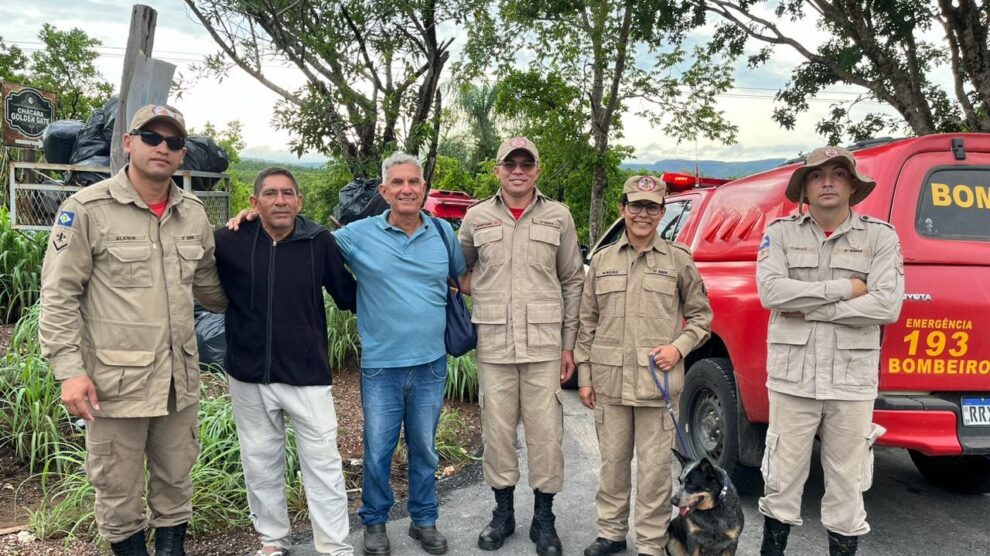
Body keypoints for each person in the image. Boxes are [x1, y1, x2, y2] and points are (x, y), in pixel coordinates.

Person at [38, 104, 227, 556]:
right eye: (151, 138)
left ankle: (170, 550)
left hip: (177, 382)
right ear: (128, 143)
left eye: (174, 142)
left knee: (176, 477)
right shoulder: (86, 209)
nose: (163, 148)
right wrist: (69, 371)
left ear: (183, 154)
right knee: (117, 484)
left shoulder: (194, 214)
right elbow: (59, 294)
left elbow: (212, 290)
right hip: (114, 382)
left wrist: (257, 241)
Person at [756, 146, 904, 556]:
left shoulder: (880, 236)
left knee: (847, 482)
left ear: (852, 185)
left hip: (851, 381)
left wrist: (812, 308)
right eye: (817, 174)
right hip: (793, 378)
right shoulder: (781, 233)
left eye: (838, 174)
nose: (827, 181)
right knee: (781, 477)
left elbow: (887, 305)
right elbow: (771, 292)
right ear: (803, 186)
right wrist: (844, 290)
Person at [213, 166, 358, 556]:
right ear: (253, 202)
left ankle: (334, 546)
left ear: (300, 201)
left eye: (288, 193)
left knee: (324, 463)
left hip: (307, 373)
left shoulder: (318, 241)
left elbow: (348, 295)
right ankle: (273, 541)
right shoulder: (229, 241)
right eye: (271, 194)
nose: (280, 200)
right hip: (248, 374)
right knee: (260, 463)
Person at [458, 137, 584, 556]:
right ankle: (503, 514)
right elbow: (459, 270)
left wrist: (569, 346)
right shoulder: (476, 217)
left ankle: (544, 520)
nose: (517, 170)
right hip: (493, 343)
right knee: (496, 434)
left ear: (537, 170)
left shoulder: (558, 216)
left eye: (525, 163)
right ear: (497, 170)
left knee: (547, 436)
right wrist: (480, 289)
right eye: (509, 163)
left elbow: (572, 280)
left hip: (545, 347)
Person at [334, 152, 465, 556]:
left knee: (424, 447)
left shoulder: (443, 233)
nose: (406, 189)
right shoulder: (356, 236)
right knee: (378, 450)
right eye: (398, 183)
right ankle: (375, 523)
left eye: (414, 182)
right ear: (384, 190)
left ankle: (424, 520)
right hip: (381, 367)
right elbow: (305, 245)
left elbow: (462, 281)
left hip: (430, 364)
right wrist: (249, 221)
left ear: (423, 189)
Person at [574, 175, 712, 556]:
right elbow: (587, 322)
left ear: (662, 212)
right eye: (636, 205)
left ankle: (651, 542)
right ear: (623, 209)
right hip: (610, 382)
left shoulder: (678, 261)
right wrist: (585, 376)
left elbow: (702, 319)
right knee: (613, 466)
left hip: (658, 385)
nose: (643, 213)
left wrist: (678, 348)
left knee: (653, 472)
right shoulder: (601, 262)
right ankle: (611, 533)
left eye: (652, 206)